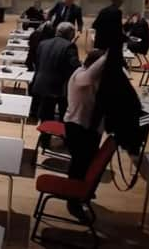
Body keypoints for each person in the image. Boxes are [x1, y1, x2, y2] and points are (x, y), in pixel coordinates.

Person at [64, 48, 107, 219]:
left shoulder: (96, 78)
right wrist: (109, 54)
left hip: (91, 128)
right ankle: (73, 201)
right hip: (76, 127)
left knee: (87, 165)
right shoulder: (80, 75)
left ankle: (82, 191)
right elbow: (89, 78)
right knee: (79, 165)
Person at [31, 22, 82, 146]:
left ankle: (45, 140)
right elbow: (73, 68)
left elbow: (37, 62)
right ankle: (65, 140)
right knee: (65, 113)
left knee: (46, 113)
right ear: (69, 34)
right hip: (59, 86)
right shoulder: (70, 46)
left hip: (41, 83)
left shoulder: (43, 43)